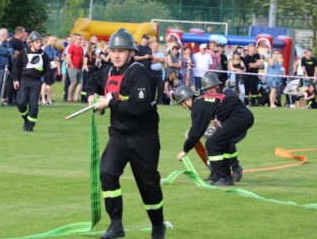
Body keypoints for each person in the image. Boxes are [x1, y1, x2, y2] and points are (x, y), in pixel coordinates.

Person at [85, 29, 166, 239]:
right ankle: (116, 224)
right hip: (119, 137)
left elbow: (139, 107)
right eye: (113, 51)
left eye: (121, 51)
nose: (116, 55)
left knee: (148, 185)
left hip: (144, 138)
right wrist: (92, 95)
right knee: (107, 172)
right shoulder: (109, 71)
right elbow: (92, 81)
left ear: (131, 52)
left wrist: (110, 102)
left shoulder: (139, 72)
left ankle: (158, 226)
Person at [175, 72, 254, 186]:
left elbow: (197, 131)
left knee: (212, 143)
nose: (183, 107)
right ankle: (224, 176)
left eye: (181, 104)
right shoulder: (202, 101)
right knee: (221, 142)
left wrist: (185, 150)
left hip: (240, 118)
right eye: (206, 89)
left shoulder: (199, 105)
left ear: (187, 100)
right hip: (242, 117)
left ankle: (223, 176)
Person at [11, 31, 53, 132]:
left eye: (40, 42)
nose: (39, 44)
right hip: (24, 81)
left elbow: (48, 70)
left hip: (36, 82)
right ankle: (26, 119)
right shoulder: (23, 53)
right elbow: (16, 67)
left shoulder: (44, 55)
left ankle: (30, 125)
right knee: (20, 103)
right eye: (37, 42)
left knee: (33, 105)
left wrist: (48, 83)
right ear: (31, 43)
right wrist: (16, 80)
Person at [66, 33, 84, 102]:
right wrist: (72, 65)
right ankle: (69, 97)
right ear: (76, 39)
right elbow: (68, 57)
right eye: (79, 39)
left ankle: (72, 96)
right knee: (73, 82)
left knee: (77, 83)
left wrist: (82, 66)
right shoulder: (72, 47)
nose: (80, 40)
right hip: (72, 67)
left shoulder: (81, 48)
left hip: (79, 67)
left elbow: (82, 58)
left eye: (81, 39)